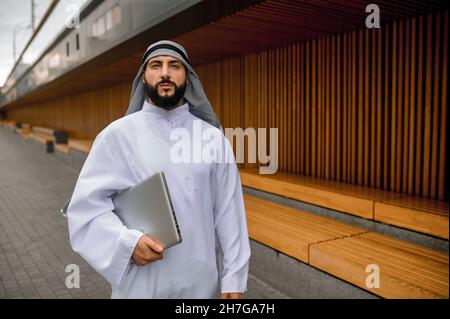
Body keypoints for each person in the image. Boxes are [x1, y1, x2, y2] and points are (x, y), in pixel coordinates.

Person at [66, 40, 251, 299]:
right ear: (143, 77)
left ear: (188, 78)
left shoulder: (212, 138)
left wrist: (233, 278)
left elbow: (229, 212)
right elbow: (85, 209)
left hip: (199, 286)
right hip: (140, 286)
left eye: (174, 65)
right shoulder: (116, 136)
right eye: (156, 65)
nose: (165, 72)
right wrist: (127, 244)